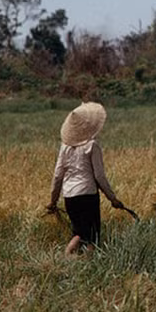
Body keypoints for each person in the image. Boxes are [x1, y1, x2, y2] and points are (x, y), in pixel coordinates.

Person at [46, 101, 125, 255]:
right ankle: (74, 260)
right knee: (91, 237)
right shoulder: (92, 145)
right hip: (87, 194)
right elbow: (99, 176)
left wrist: (53, 201)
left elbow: (57, 176)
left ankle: (67, 261)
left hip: (69, 195)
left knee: (78, 232)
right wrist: (113, 199)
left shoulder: (65, 147)